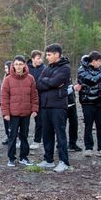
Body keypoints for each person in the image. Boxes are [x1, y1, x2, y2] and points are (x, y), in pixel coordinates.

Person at [37, 44, 72, 173]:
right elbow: (39, 84)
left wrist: (49, 82)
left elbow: (54, 82)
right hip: (45, 105)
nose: (47, 57)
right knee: (47, 134)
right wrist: (50, 82)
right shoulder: (47, 68)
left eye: (49, 55)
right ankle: (48, 160)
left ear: (57, 54)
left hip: (58, 106)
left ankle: (64, 161)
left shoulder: (65, 68)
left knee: (60, 133)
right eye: (46, 55)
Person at [74, 51, 101, 157]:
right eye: (99, 61)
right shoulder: (82, 70)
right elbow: (91, 80)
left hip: (99, 102)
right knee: (88, 125)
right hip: (87, 102)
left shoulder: (100, 69)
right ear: (93, 61)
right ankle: (88, 148)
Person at [1, 55, 38, 167]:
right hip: (13, 114)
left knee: (24, 136)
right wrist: (6, 113)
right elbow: (4, 98)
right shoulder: (8, 80)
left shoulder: (30, 78)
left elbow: (34, 95)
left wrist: (35, 109)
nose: (18, 66)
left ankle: (24, 157)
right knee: (12, 136)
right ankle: (11, 158)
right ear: (13, 65)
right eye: (16, 64)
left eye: (20, 64)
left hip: (26, 113)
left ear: (24, 65)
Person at [27, 50, 45, 150]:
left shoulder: (44, 68)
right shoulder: (26, 68)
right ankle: (22, 139)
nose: (40, 60)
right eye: (38, 58)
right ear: (33, 58)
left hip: (40, 98)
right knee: (24, 120)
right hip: (26, 98)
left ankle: (37, 140)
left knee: (39, 121)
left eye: (41, 58)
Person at [1, 60, 12, 146]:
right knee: (5, 121)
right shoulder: (5, 77)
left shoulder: (12, 77)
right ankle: (8, 136)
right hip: (5, 103)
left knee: (11, 122)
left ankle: (13, 137)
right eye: (4, 68)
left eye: (6, 68)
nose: (5, 70)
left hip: (12, 103)